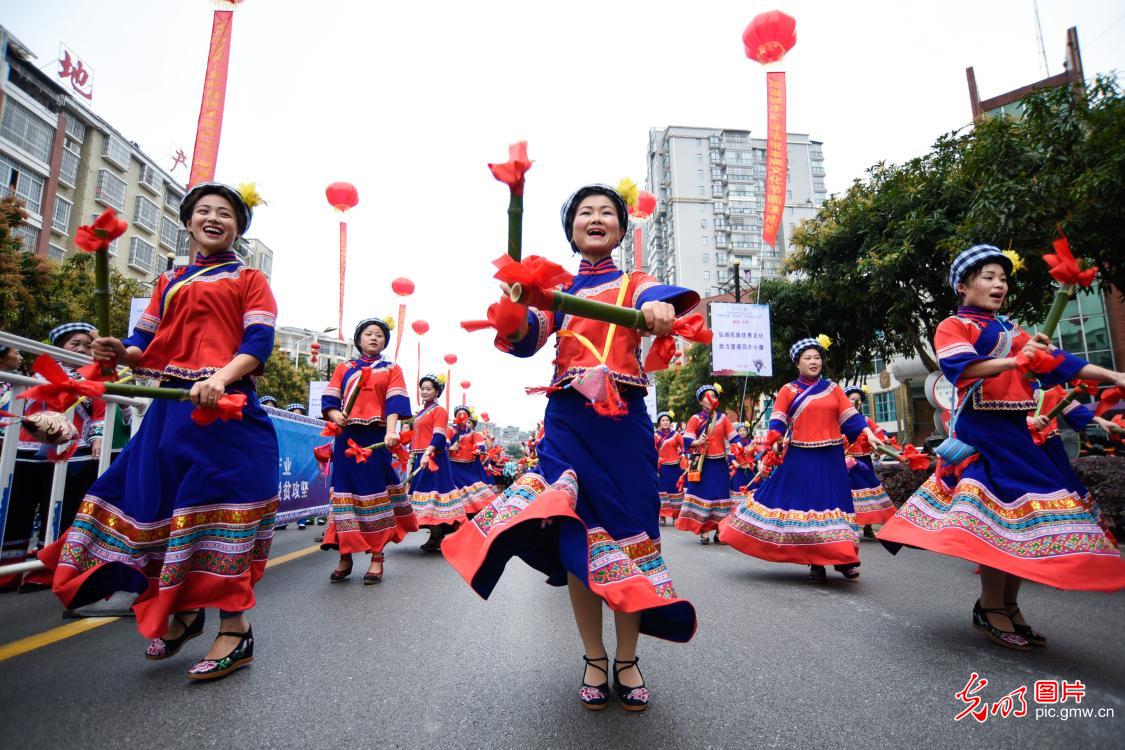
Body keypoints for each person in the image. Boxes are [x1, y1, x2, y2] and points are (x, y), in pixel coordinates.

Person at [443, 184, 699, 711]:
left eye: (608, 212)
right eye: (586, 212)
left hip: (623, 425)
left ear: (622, 229)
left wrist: (658, 311)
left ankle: (627, 658)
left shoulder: (635, 281)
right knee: (580, 537)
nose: (597, 218)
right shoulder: (555, 290)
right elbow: (527, 338)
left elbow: (656, 297)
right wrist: (514, 314)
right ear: (573, 229)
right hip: (567, 424)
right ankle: (593, 656)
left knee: (630, 538)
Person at [39, 182, 278, 680]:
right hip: (170, 412)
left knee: (216, 514)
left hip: (226, 411)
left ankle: (235, 629)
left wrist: (220, 377)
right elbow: (140, 343)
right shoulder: (168, 281)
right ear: (189, 222)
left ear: (239, 227)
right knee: (160, 507)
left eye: (226, 214)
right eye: (204, 211)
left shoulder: (249, 278)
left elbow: (259, 339)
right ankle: (186, 612)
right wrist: (117, 352)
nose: (214, 218)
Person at [877, 245, 1125, 650]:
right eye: (988, 277)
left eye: (1003, 278)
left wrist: (1115, 374)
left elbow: (1062, 363)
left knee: (1022, 525)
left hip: (1021, 436)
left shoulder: (1014, 332)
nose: (998, 284)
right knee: (1000, 524)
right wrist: (1016, 362)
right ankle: (991, 605)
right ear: (963, 286)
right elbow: (962, 369)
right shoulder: (954, 326)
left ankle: (1008, 604)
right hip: (985, 433)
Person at [719, 338, 884, 582]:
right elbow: (778, 420)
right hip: (801, 456)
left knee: (836, 504)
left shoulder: (832, 388)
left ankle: (845, 558)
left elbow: (850, 417)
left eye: (817, 357)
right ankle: (815, 562)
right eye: (807, 358)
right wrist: (774, 437)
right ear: (798, 363)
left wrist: (868, 433)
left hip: (831, 456)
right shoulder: (788, 390)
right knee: (810, 507)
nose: (813, 362)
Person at [320, 318, 416, 584]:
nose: (374, 338)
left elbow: (395, 402)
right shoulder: (345, 367)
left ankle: (376, 556)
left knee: (375, 492)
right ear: (359, 338)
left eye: (379, 335)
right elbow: (329, 399)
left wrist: (391, 431)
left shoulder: (392, 368)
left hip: (377, 438)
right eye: (368, 334)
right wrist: (335, 413)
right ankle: (345, 555)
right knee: (344, 493)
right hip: (347, 435)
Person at [409, 374, 469, 552]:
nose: (424, 391)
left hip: (434, 458)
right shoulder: (421, 412)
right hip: (421, 456)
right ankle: (436, 535)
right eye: (422, 388)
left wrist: (427, 453)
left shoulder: (439, 411)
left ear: (437, 392)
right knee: (423, 497)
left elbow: (439, 435)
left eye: (429, 389)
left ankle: (438, 535)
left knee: (432, 497)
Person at [675, 385, 737, 545]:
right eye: (707, 396)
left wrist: (741, 448)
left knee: (721, 496)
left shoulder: (723, 418)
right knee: (705, 496)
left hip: (720, 465)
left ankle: (720, 530)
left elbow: (734, 438)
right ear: (701, 401)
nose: (710, 399)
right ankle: (703, 529)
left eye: (714, 396)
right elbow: (687, 440)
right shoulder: (696, 419)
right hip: (703, 464)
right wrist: (698, 441)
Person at [841, 386, 896, 537]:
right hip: (846, 463)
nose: (855, 402)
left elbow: (878, 431)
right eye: (852, 399)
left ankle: (868, 527)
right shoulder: (840, 422)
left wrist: (885, 438)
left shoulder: (865, 421)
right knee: (848, 494)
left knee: (870, 491)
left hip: (864, 461)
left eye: (858, 400)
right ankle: (850, 527)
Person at [447, 407, 496, 516]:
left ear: (468, 417)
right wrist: (450, 447)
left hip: (468, 467)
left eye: (464, 414)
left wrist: (478, 450)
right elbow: (442, 444)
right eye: (459, 414)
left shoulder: (474, 434)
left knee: (475, 489)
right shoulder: (450, 430)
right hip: (452, 466)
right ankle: (458, 516)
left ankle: (476, 512)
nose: (462, 416)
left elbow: (480, 446)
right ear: (455, 417)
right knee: (456, 491)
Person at [654, 412, 683, 526]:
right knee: (662, 492)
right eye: (663, 420)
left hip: (675, 467)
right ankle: (662, 515)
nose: (665, 422)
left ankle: (676, 516)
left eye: (667, 420)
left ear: (670, 423)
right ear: (659, 422)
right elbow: (652, 451)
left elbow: (684, 448)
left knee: (675, 491)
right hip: (662, 467)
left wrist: (683, 457)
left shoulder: (676, 434)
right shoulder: (655, 436)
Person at [728, 423, 755, 500]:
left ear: (747, 432)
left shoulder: (752, 442)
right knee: (738, 488)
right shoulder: (735, 443)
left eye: (744, 430)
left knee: (751, 489)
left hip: (749, 469)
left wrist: (757, 462)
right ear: (737, 432)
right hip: (739, 470)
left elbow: (757, 455)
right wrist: (735, 463)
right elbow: (731, 455)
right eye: (740, 430)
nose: (742, 432)